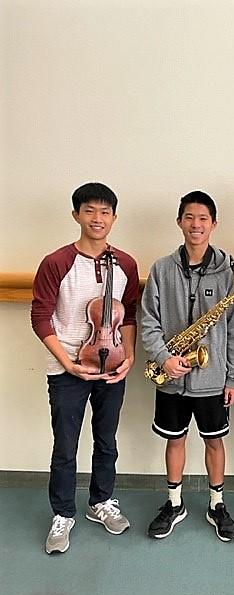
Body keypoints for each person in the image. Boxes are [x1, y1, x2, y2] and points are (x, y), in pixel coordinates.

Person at [31, 182, 139, 554]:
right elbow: (41, 317)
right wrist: (69, 364)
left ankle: (101, 502)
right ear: (76, 215)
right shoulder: (57, 262)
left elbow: (128, 315)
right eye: (89, 210)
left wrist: (130, 357)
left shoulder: (124, 263)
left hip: (111, 366)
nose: (97, 218)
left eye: (105, 212)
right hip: (67, 370)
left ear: (114, 217)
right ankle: (62, 513)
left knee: (106, 439)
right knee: (65, 444)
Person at [142, 190, 234, 543]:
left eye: (203, 218)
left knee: (215, 443)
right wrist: (163, 358)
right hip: (172, 377)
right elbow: (148, 321)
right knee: (175, 441)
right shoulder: (161, 268)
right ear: (179, 222)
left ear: (213, 224)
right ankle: (174, 502)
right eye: (189, 217)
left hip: (213, 380)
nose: (196, 224)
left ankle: (217, 504)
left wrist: (233, 377)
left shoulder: (229, 272)